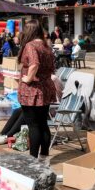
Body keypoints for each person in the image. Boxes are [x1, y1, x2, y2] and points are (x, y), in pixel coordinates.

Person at [17, 19, 56, 160]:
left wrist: (27, 78)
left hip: (32, 90)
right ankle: (43, 157)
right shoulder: (46, 46)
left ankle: (33, 159)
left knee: (33, 125)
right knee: (43, 123)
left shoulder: (30, 45)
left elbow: (34, 63)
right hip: (45, 88)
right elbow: (52, 68)